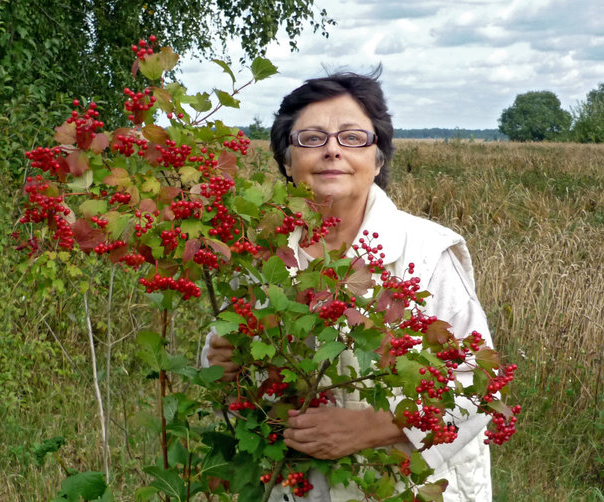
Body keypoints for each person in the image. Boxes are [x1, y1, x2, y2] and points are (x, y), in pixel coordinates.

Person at [202, 70, 493, 501]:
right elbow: (226, 359)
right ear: (286, 159)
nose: (333, 150)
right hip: (296, 484)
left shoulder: (426, 253)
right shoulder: (259, 256)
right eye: (312, 138)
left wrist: (373, 427)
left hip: (405, 487)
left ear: (377, 160)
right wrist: (218, 364)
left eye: (353, 137)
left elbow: (480, 384)